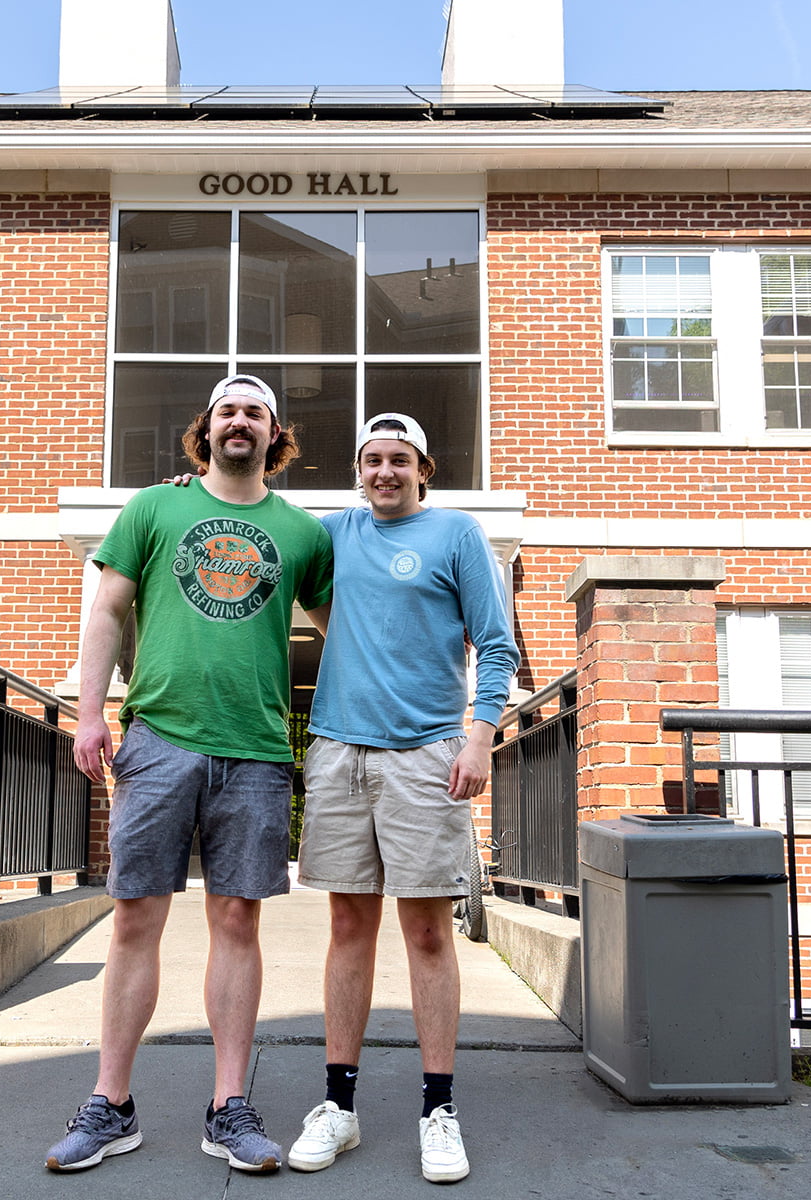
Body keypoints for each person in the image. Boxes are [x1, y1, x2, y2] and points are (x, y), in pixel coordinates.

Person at [45, 373, 333, 1176]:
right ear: (204, 429)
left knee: (237, 921)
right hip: (160, 739)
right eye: (227, 411)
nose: (240, 421)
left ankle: (228, 1107)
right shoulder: (155, 508)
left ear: (276, 435)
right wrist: (93, 710)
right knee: (136, 918)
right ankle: (111, 1104)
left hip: (257, 751)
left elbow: (343, 630)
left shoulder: (305, 534)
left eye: (255, 412)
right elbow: (106, 608)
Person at [285, 412, 517, 1185]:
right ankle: (339, 1109)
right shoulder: (331, 534)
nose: (384, 471)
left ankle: (438, 1110)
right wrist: (191, 488)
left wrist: (479, 737)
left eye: (399, 460)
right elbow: (249, 522)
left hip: (427, 757)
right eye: (371, 460)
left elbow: (497, 642)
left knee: (425, 934)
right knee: (349, 924)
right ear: (358, 469)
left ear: (423, 467)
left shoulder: (456, 534)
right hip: (340, 752)